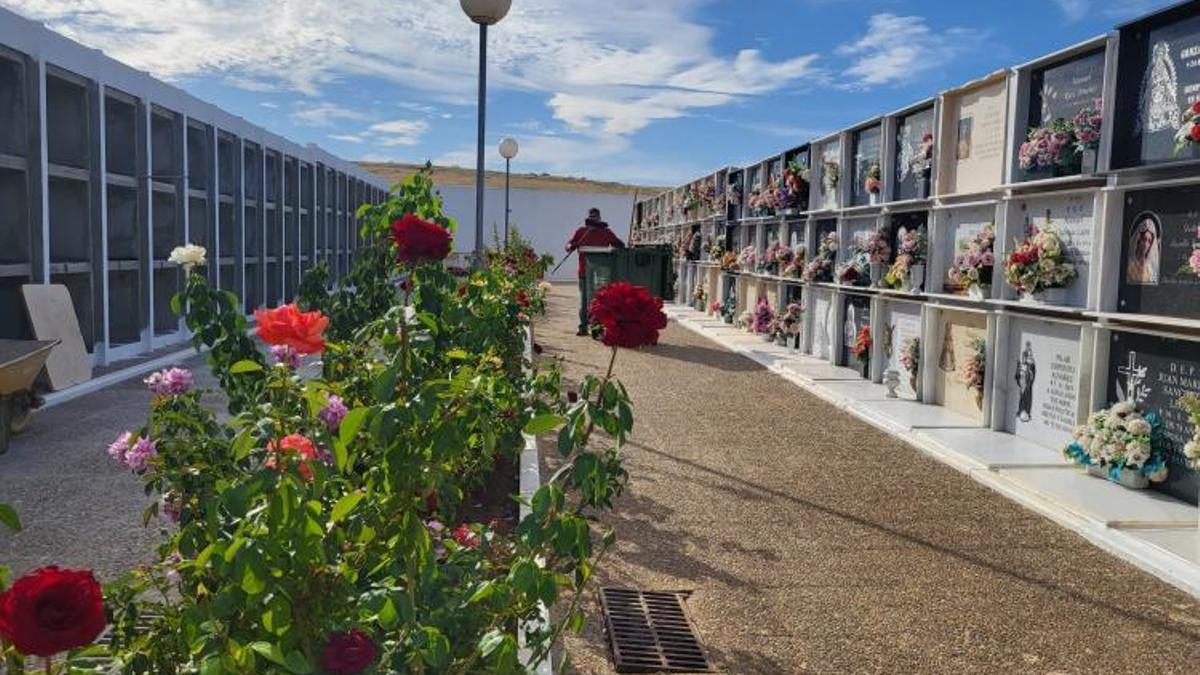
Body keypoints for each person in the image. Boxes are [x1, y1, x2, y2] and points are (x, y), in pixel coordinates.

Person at [566, 208, 625, 336]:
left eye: (596, 217)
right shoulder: (581, 231)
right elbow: (568, 245)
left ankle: (597, 327)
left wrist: (617, 246)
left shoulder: (606, 232)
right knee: (585, 302)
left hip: (601, 273)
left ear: (599, 218)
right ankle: (583, 327)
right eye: (591, 216)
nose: (594, 219)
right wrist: (571, 246)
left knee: (599, 302)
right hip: (584, 272)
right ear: (588, 217)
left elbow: (620, 244)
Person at [1126, 214, 1161, 285]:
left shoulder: (1150, 267)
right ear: (1138, 240)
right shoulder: (1131, 263)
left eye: (1149, 241)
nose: (1146, 244)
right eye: (1144, 239)